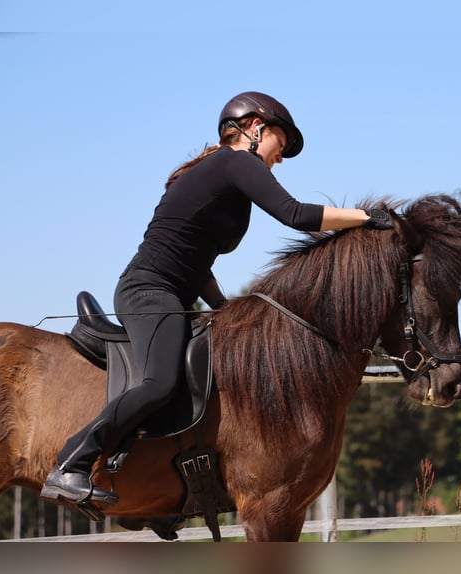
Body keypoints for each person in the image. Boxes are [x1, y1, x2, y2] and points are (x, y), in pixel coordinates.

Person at [40, 92, 393, 506]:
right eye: (281, 144)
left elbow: (198, 262)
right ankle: (71, 464)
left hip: (175, 293)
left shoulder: (228, 176)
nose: (279, 158)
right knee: (159, 383)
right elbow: (296, 215)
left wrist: (224, 309)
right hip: (148, 291)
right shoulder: (234, 162)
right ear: (255, 127)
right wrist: (368, 218)